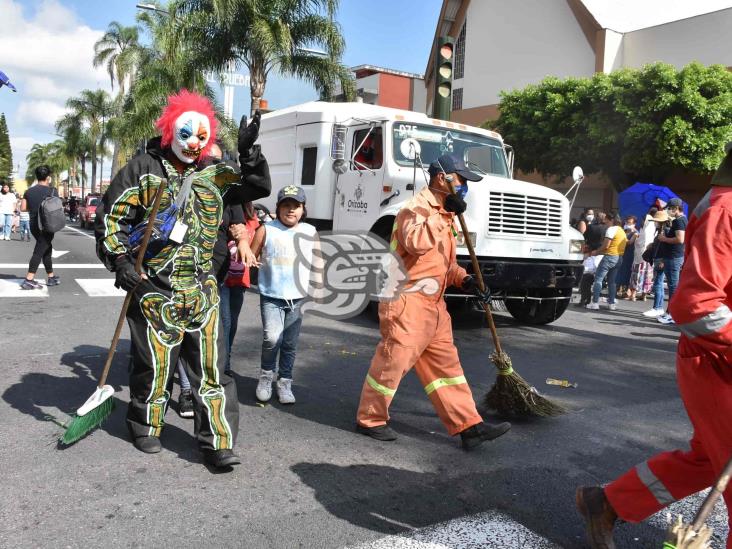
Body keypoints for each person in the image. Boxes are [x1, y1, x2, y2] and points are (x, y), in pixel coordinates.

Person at [94, 90, 271, 469]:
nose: (194, 143)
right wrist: (122, 262)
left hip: (202, 290)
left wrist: (249, 153)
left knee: (212, 368)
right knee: (153, 365)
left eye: (202, 136)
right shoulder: (143, 168)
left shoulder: (215, 174)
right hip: (154, 287)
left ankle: (218, 441)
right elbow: (111, 219)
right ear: (170, 130)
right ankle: (145, 425)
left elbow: (255, 187)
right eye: (187, 133)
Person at [576, 144, 732, 549]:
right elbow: (696, 307)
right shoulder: (725, 210)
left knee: (708, 460)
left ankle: (606, 502)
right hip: (717, 364)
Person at [355, 153, 511, 450]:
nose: (464, 186)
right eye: (461, 180)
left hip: (435, 307)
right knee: (392, 364)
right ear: (443, 178)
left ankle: (469, 426)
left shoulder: (445, 214)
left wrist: (466, 280)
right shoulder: (414, 209)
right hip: (406, 303)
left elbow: (443, 264)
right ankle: (370, 419)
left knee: (447, 370)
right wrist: (442, 215)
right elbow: (416, 243)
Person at [254, 185, 315, 405]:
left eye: (296, 206)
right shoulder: (267, 229)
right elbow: (252, 254)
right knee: (271, 339)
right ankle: (265, 377)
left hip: (297, 297)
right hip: (271, 295)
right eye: (286, 205)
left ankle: (285, 381)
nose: (291, 210)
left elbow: (317, 259)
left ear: (303, 209)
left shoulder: (309, 231)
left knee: (290, 342)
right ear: (278, 208)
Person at [221, 201, 264, 377]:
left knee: (232, 323)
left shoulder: (254, 219)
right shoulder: (226, 212)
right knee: (225, 322)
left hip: (240, 279)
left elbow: (257, 247)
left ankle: (226, 358)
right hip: (222, 278)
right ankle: (222, 365)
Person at [20, 166, 60, 289]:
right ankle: (29, 279)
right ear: (48, 177)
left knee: (46, 248)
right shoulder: (53, 191)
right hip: (48, 224)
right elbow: (57, 207)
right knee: (39, 251)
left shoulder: (29, 191)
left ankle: (51, 277)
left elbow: (22, 208)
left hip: (34, 225)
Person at [652, 198, 687, 325]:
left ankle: (672, 313)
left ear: (676, 208)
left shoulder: (679, 221)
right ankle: (669, 312)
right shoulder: (678, 221)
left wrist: (664, 238)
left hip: (674, 257)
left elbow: (680, 239)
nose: (669, 211)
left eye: (670, 208)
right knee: (673, 286)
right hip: (673, 256)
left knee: (673, 286)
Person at [586, 213, 627, 311]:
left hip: (609, 257)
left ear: (611, 220)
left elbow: (606, 246)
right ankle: (611, 304)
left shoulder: (611, 229)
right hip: (619, 258)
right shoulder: (622, 231)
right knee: (612, 282)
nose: (605, 223)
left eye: (606, 221)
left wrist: (596, 252)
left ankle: (595, 303)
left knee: (598, 279)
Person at [628, 208, 660, 302]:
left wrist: (635, 237)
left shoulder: (642, 231)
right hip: (649, 255)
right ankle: (644, 295)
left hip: (640, 255)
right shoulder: (655, 228)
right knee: (648, 275)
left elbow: (638, 243)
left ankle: (633, 295)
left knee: (637, 274)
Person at [615, 215, 638, 298]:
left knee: (628, 272)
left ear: (634, 223)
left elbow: (629, 243)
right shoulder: (622, 231)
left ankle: (626, 290)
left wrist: (621, 239)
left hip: (630, 255)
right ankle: (618, 289)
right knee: (619, 270)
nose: (628, 224)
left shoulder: (635, 233)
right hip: (620, 253)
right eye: (627, 222)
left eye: (630, 222)